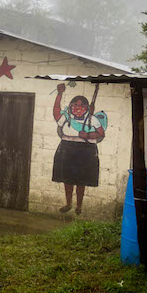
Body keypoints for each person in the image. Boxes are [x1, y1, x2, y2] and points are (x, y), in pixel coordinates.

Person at [52, 83, 108, 215]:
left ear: (87, 108)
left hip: (86, 150)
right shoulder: (66, 118)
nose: (78, 108)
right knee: (68, 179)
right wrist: (59, 94)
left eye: (81, 106)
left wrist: (88, 135)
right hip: (66, 148)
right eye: (75, 105)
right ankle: (68, 203)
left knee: (81, 180)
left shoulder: (92, 120)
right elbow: (56, 110)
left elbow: (101, 134)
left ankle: (79, 206)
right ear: (71, 107)